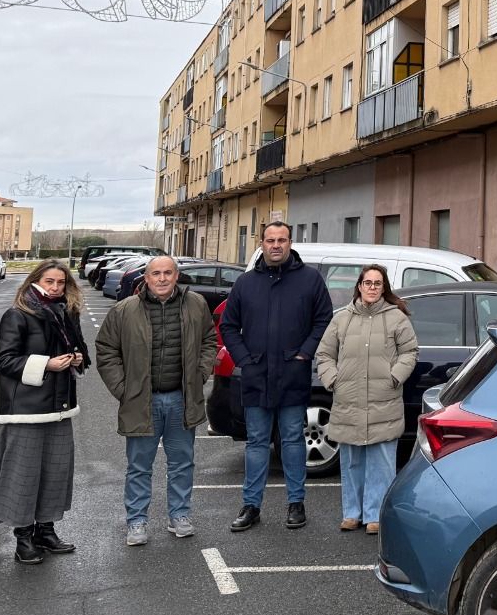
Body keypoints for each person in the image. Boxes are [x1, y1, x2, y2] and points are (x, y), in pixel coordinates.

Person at [96, 255, 218, 546]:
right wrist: (124, 390)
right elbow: (106, 350)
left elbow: (209, 341)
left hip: (181, 399)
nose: (162, 279)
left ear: (176, 276)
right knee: (139, 466)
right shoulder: (125, 310)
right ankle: (137, 521)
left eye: (167, 273)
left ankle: (180, 516)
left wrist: (200, 374)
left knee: (182, 463)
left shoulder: (196, 305)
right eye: (156, 274)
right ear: (146, 278)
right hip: (142, 402)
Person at [220, 221, 333, 531]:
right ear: (262, 243)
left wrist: (304, 353)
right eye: (270, 240)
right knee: (256, 443)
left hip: (292, 374)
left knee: (293, 441)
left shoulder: (310, 279)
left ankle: (296, 504)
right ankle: (251, 506)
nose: (276, 245)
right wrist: (244, 359)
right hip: (256, 375)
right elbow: (229, 326)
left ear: (290, 242)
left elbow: (324, 320)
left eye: (281, 239)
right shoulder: (246, 283)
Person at [0, 260, 90, 564]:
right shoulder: (17, 314)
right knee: (24, 474)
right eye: (50, 282)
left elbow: (82, 353)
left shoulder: (66, 313)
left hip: (59, 408)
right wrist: (45, 364)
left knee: (55, 472)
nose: (56, 288)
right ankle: (23, 540)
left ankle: (46, 531)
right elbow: (3, 360)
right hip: (26, 410)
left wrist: (77, 359)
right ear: (35, 281)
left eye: (61, 283)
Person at [315, 264, 418, 533]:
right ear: (359, 286)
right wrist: (333, 380)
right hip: (348, 401)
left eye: (377, 283)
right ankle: (352, 513)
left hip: (384, 401)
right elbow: (324, 354)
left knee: (381, 462)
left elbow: (410, 352)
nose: (372, 288)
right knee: (352, 462)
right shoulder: (342, 319)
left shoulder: (396, 318)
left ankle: (375, 515)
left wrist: (394, 376)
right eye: (367, 283)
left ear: (384, 288)